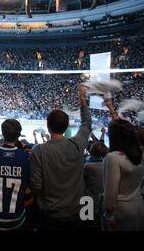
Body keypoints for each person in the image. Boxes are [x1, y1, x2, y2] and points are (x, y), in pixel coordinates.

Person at [29, 85, 91, 231]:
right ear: (67, 126)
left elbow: (36, 187)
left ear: (48, 126)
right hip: (77, 209)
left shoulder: (38, 151)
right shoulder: (77, 144)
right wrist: (82, 98)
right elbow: (87, 123)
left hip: (50, 212)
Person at [103, 119, 144, 231]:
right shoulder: (141, 154)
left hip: (120, 212)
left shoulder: (113, 157)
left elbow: (111, 192)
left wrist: (108, 215)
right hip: (140, 207)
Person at [83, 135, 108, 230]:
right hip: (103, 199)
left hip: (88, 199)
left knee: (87, 224)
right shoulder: (107, 164)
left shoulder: (87, 166)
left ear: (90, 152)